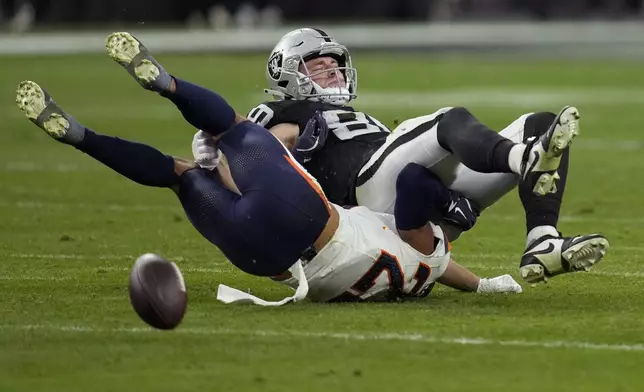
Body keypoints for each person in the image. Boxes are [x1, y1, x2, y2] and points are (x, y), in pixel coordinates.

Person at [14, 32, 522, 304]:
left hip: (307, 219)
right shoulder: (419, 268)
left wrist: (226, 158)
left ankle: (161, 85)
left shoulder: (418, 249)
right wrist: (484, 285)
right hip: (270, 262)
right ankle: (82, 136)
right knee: (179, 172)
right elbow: (437, 255)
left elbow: (415, 198)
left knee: (223, 138)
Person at [192, 27, 610, 284]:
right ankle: (524, 160)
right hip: (363, 196)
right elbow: (257, 154)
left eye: (334, 66)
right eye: (317, 67)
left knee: (539, 122)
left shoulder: (354, 114)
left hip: (403, 193)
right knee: (449, 120)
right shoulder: (287, 111)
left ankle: (542, 242)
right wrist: (217, 155)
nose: (332, 73)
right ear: (288, 73)